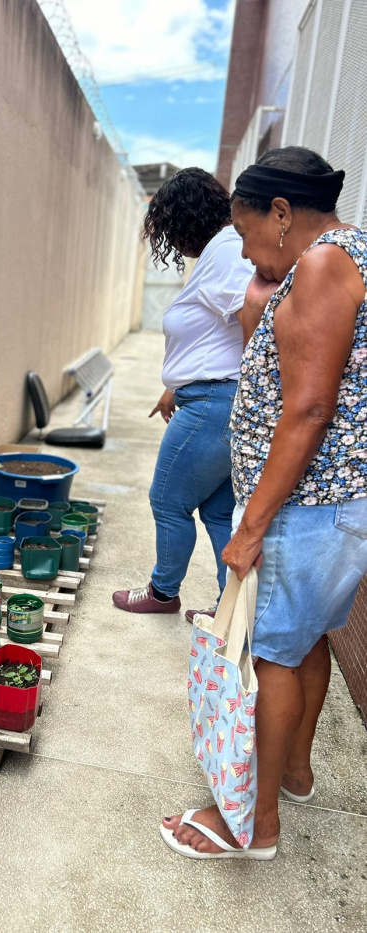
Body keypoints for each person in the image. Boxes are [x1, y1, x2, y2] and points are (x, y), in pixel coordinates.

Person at [161, 146, 367, 860]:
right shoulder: (347, 255)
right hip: (331, 508)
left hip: (307, 508)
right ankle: (296, 772)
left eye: (249, 235)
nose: (247, 253)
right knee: (304, 641)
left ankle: (254, 824)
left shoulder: (321, 264)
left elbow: (308, 410)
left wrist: (249, 528)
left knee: (272, 656)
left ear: (282, 215)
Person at [112, 169, 253, 617]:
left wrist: (251, 389)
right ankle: (227, 610)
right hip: (213, 399)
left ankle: (163, 591)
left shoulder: (226, 252)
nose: (172, 242)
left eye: (170, 229)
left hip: (215, 404)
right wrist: (174, 389)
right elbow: (218, 336)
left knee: (168, 500)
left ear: (183, 219)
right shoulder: (224, 248)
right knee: (216, 513)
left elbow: (256, 316)